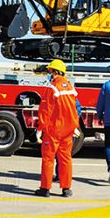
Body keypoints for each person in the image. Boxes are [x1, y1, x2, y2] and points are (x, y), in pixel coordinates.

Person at [35, 59, 78, 198]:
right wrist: (75, 126)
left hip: (53, 129)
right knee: (66, 158)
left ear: (55, 72)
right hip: (68, 129)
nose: (49, 73)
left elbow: (45, 110)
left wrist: (40, 128)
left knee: (48, 158)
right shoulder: (70, 87)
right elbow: (74, 109)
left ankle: (45, 188)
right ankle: (66, 189)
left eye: (50, 71)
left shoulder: (52, 88)